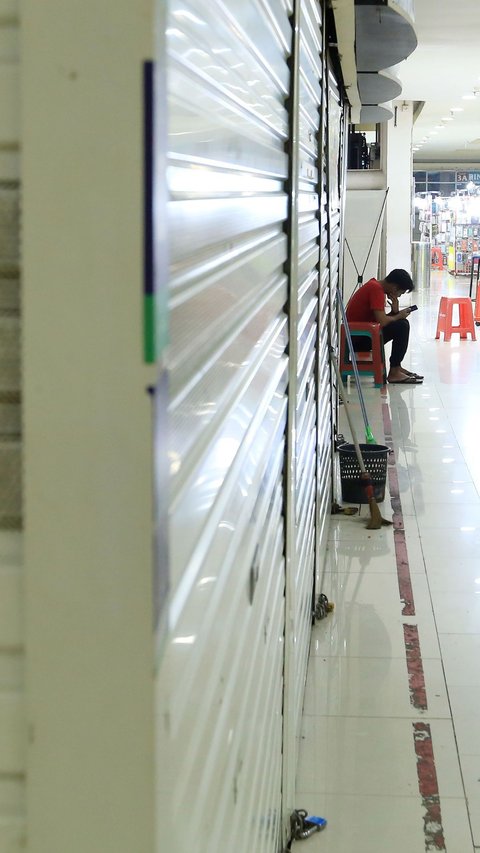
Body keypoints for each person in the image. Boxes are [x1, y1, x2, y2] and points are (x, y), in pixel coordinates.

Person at [345, 269, 423, 384]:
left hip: (361, 334)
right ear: (395, 287)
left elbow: (380, 320)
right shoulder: (376, 290)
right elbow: (383, 321)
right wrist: (399, 315)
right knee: (402, 326)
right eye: (400, 293)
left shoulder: (374, 286)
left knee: (402, 323)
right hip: (358, 339)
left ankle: (397, 367)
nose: (399, 296)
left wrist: (395, 311)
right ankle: (394, 372)